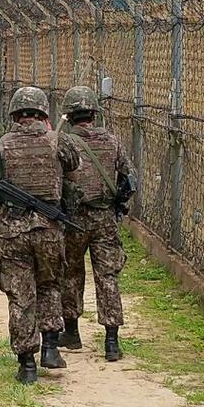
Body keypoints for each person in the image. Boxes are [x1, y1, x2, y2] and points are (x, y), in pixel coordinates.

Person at [0, 86, 81, 384]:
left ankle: (27, 364)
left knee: (20, 295)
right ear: (44, 113)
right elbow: (74, 169)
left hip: (14, 234)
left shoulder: (0, 145)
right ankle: (52, 349)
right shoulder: (59, 141)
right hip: (50, 231)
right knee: (50, 285)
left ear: (14, 114)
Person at [57, 85, 135, 362]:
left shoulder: (64, 142)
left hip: (74, 220)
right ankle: (111, 342)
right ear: (94, 113)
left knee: (70, 274)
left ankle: (72, 333)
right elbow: (129, 179)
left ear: (69, 114)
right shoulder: (112, 141)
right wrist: (117, 205)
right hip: (105, 219)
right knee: (108, 277)